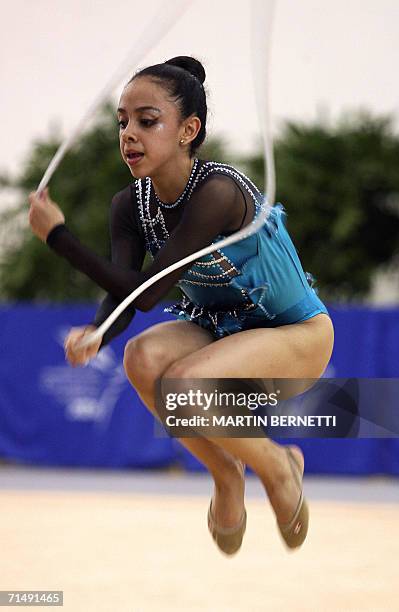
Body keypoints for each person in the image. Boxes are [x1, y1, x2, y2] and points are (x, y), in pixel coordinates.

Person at [28, 55, 334, 555]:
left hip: (295, 336)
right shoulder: (130, 205)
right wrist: (98, 329)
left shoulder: (217, 192)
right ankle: (226, 475)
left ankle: (279, 466)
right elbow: (125, 293)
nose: (129, 133)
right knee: (141, 359)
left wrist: (58, 238)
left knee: (189, 384)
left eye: (147, 121)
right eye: (122, 122)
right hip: (225, 330)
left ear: (188, 129)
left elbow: (148, 292)